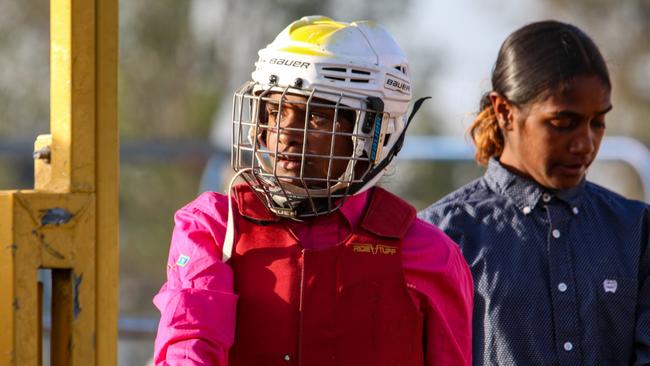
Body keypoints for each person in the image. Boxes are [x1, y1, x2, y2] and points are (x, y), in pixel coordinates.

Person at [153, 15, 473, 365]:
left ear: (374, 133)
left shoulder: (430, 255)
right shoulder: (214, 227)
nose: (285, 133)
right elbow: (189, 345)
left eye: (316, 117)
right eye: (275, 111)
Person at [419, 20, 650, 365]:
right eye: (562, 122)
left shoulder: (638, 232)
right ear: (504, 112)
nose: (585, 143)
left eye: (598, 123)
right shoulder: (442, 238)